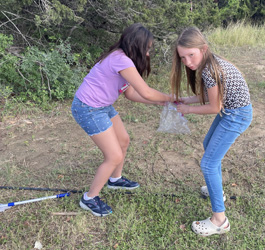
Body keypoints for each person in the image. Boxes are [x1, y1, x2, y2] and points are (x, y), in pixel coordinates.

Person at [71, 23, 174, 217]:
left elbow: (132, 94)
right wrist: (171, 98)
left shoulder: (123, 59)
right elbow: (146, 92)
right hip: (88, 108)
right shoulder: (120, 60)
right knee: (114, 156)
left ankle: (115, 180)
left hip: (101, 106)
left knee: (123, 140)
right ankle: (89, 198)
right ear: (136, 45)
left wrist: (161, 103)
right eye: (147, 49)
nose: (149, 54)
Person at [171, 27, 252, 236]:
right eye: (183, 57)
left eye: (191, 55)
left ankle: (220, 221)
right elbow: (211, 97)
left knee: (208, 163)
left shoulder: (209, 70)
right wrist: (186, 100)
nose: (188, 62)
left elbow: (214, 107)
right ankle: (217, 192)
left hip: (236, 115)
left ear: (203, 49)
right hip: (231, 111)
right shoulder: (210, 63)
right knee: (209, 147)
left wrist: (188, 109)